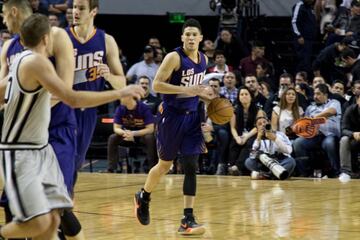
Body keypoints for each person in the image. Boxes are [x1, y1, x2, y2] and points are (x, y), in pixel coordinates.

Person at [0, 13, 144, 240]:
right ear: (47, 39)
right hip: (21, 150)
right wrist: (120, 92)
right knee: (42, 223)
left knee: (54, 219)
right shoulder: (36, 62)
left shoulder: (18, 61)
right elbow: (72, 99)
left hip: (38, 148)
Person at [0, 1, 83, 239]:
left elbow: (65, 89)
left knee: (57, 207)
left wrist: (28, 106)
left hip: (56, 130)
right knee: (13, 204)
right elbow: (4, 96)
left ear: (14, 11)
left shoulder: (56, 35)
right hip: (23, 139)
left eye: (4, 14)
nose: (3, 20)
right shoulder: (8, 47)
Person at [134, 18, 210, 235]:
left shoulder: (203, 59)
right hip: (172, 117)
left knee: (190, 165)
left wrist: (205, 96)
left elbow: (196, 89)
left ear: (201, 38)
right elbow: (157, 85)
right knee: (164, 166)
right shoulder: (174, 57)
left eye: (195, 34)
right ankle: (144, 196)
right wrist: (189, 91)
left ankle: (188, 218)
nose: (191, 38)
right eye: (187, 34)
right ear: (182, 37)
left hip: (192, 117)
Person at [68, 0, 126, 172]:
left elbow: (121, 84)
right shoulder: (62, 37)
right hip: (63, 106)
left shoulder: (106, 41)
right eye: (74, 7)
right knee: (61, 156)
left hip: (89, 109)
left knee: (77, 162)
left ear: (93, 11)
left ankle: (65, 196)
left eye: (81, 8)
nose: (75, 12)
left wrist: (108, 75)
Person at [106, 95, 156, 173]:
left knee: (150, 138)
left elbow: (150, 129)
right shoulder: (120, 108)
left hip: (140, 135)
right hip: (126, 135)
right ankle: (111, 168)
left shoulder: (144, 108)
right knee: (112, 138)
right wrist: (125, 133)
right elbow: (116, 128)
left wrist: (133, 133)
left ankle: (152, 167)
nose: (120, 99)